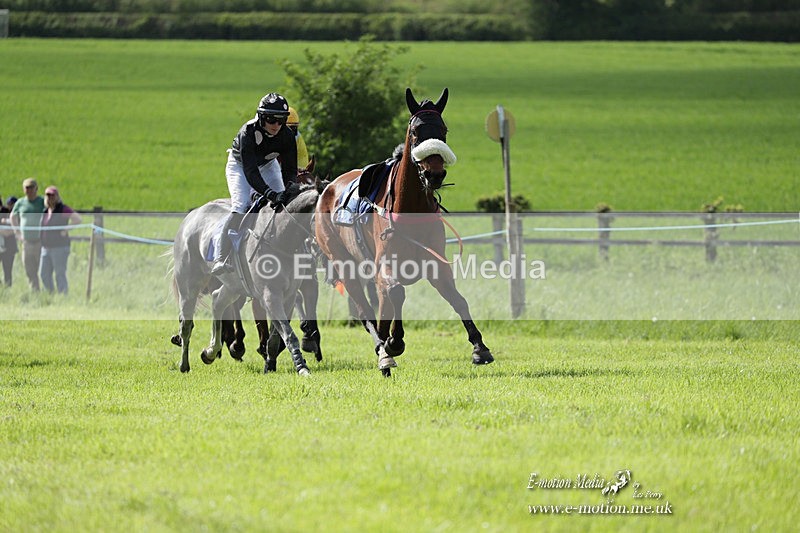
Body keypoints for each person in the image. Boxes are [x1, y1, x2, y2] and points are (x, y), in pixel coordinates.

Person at [212, 92, 298, 274]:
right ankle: (221, 256)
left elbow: (290, 169)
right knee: (242, 205)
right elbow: (250, 173)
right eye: (271, 119)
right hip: (240, 166)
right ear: (261, 117)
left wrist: (289, 189)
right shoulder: (247, 133)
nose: (276, 125)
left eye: (281, 120)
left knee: (286, 204)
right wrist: (269, 193)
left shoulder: (287, 136)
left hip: (268, 165)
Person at [40, 186, 82, 294]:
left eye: (52, 195)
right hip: (46, 247)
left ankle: (63, 296)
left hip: (59, 247)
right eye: (48, 195)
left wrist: (66, 229)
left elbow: (77, 219)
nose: (50, 198)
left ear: (57, 197)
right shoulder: (45, 211)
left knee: (59, 274)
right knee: (43, 273)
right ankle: (50, 294)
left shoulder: (63, 209)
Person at [10, 178, 45, 291]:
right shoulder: (20, 203)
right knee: (29, 269)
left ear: (36, 188)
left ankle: (46, 291)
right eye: (26, 188)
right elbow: (13, 217)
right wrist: (17, 232)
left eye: (31, 188)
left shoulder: (42, 202)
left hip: (40, 241)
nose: (29, 190)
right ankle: (34, 292)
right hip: (26, 242)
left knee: (42, 269)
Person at [0, 196, 19, 287]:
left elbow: (12, 230)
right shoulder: (3, 212)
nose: (10, 206)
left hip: (9, 247)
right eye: (9, 204)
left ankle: (7, 289)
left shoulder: (14, 214)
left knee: (7, 271)